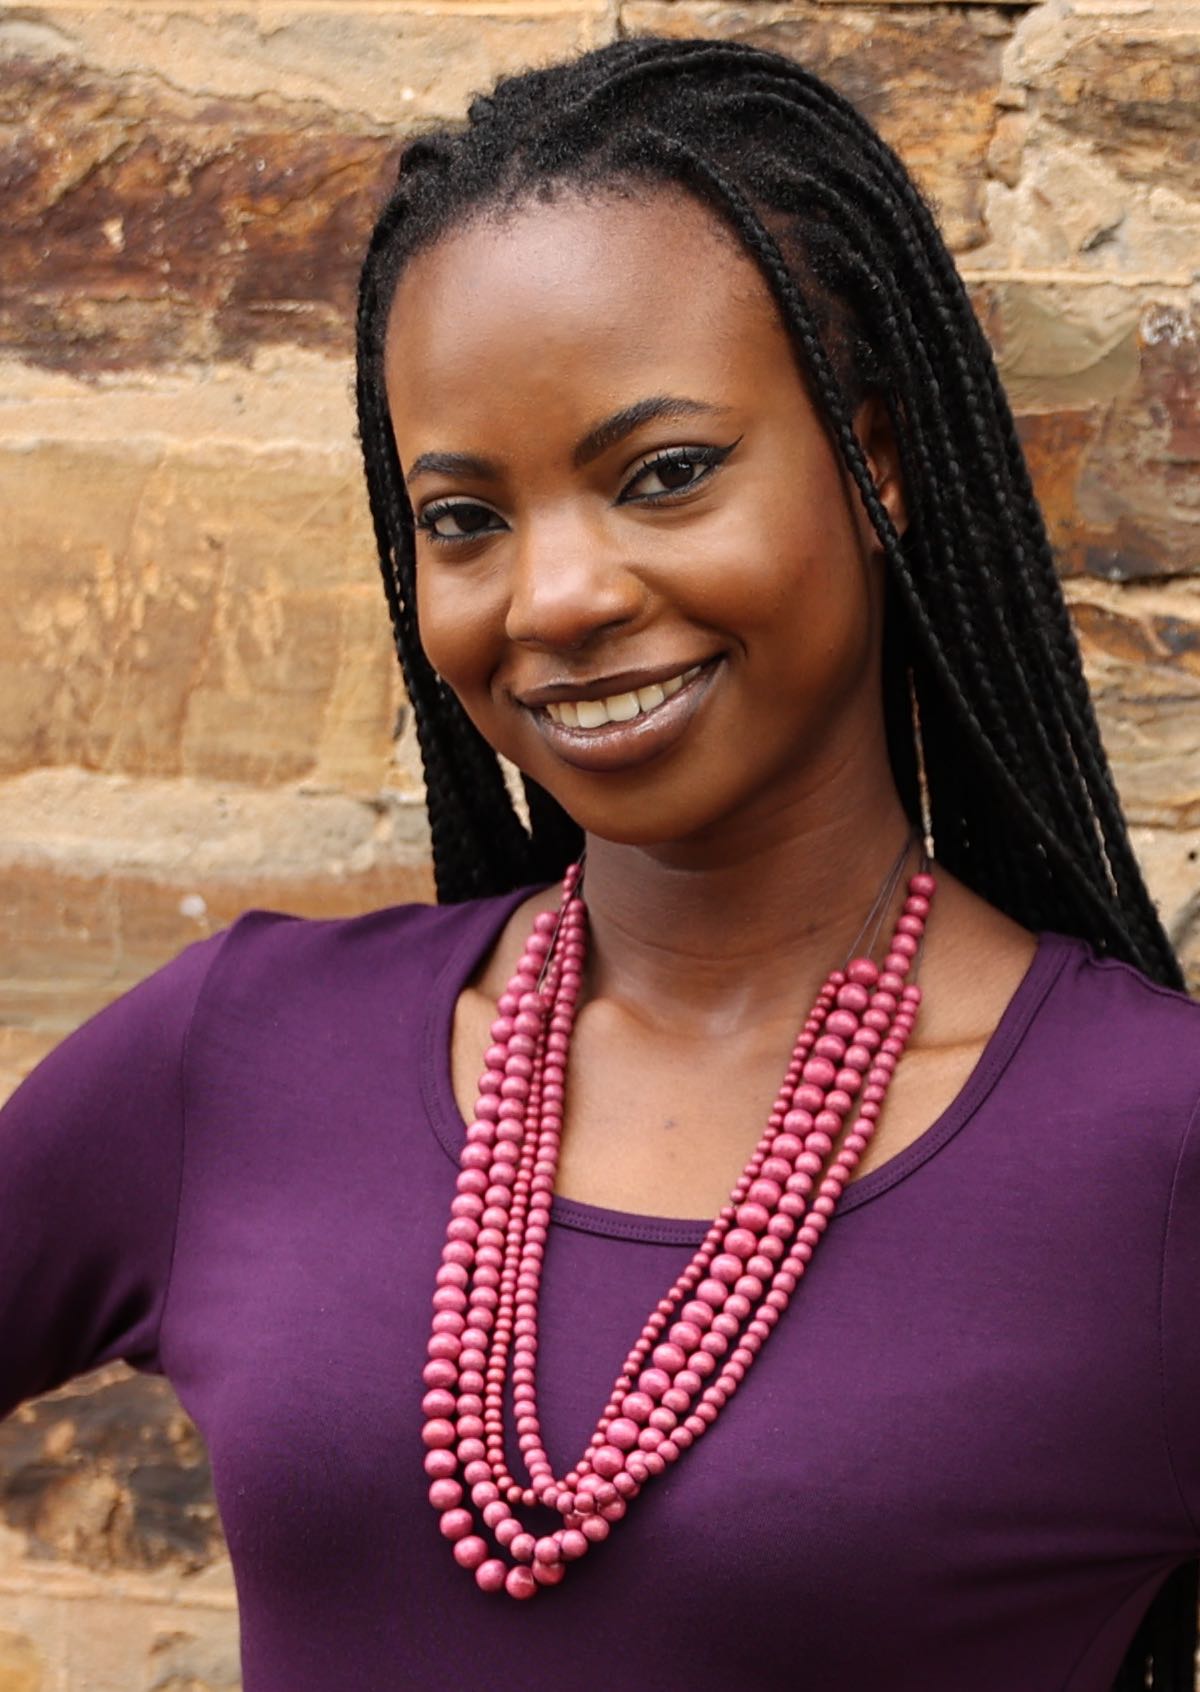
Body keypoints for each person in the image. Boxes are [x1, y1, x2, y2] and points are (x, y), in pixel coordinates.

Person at [1, 33, 1196, 1692]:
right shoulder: (246, 1052)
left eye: (666, 474)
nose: (556, 595)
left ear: (880, 464)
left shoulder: (1152, 1154)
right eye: (466, 519)